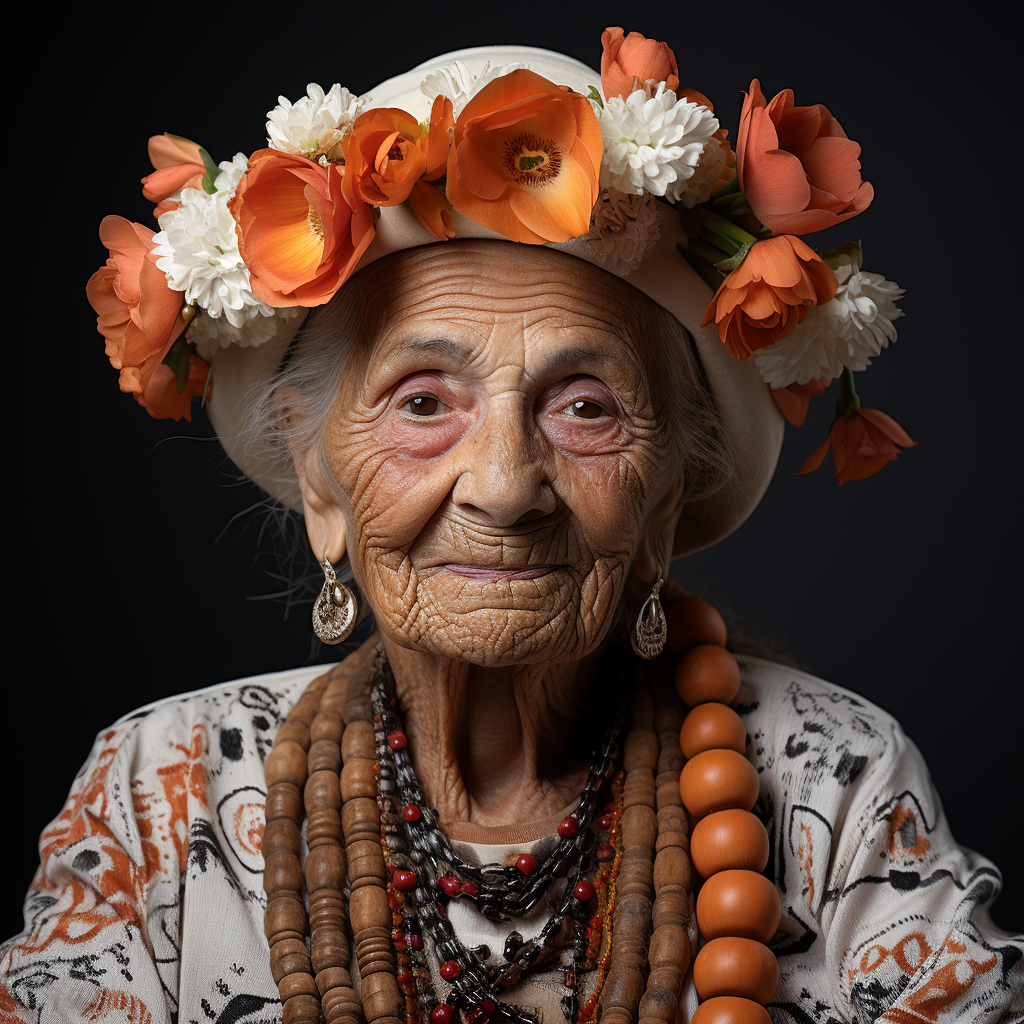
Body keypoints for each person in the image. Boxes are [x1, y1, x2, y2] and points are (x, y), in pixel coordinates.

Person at [2, 33, 1020, 1024]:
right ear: (319, 478)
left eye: (584, 407)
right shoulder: (158, 790)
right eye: (421, 402)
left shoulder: (835, 781)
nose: (501, 486)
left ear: (666, 495)